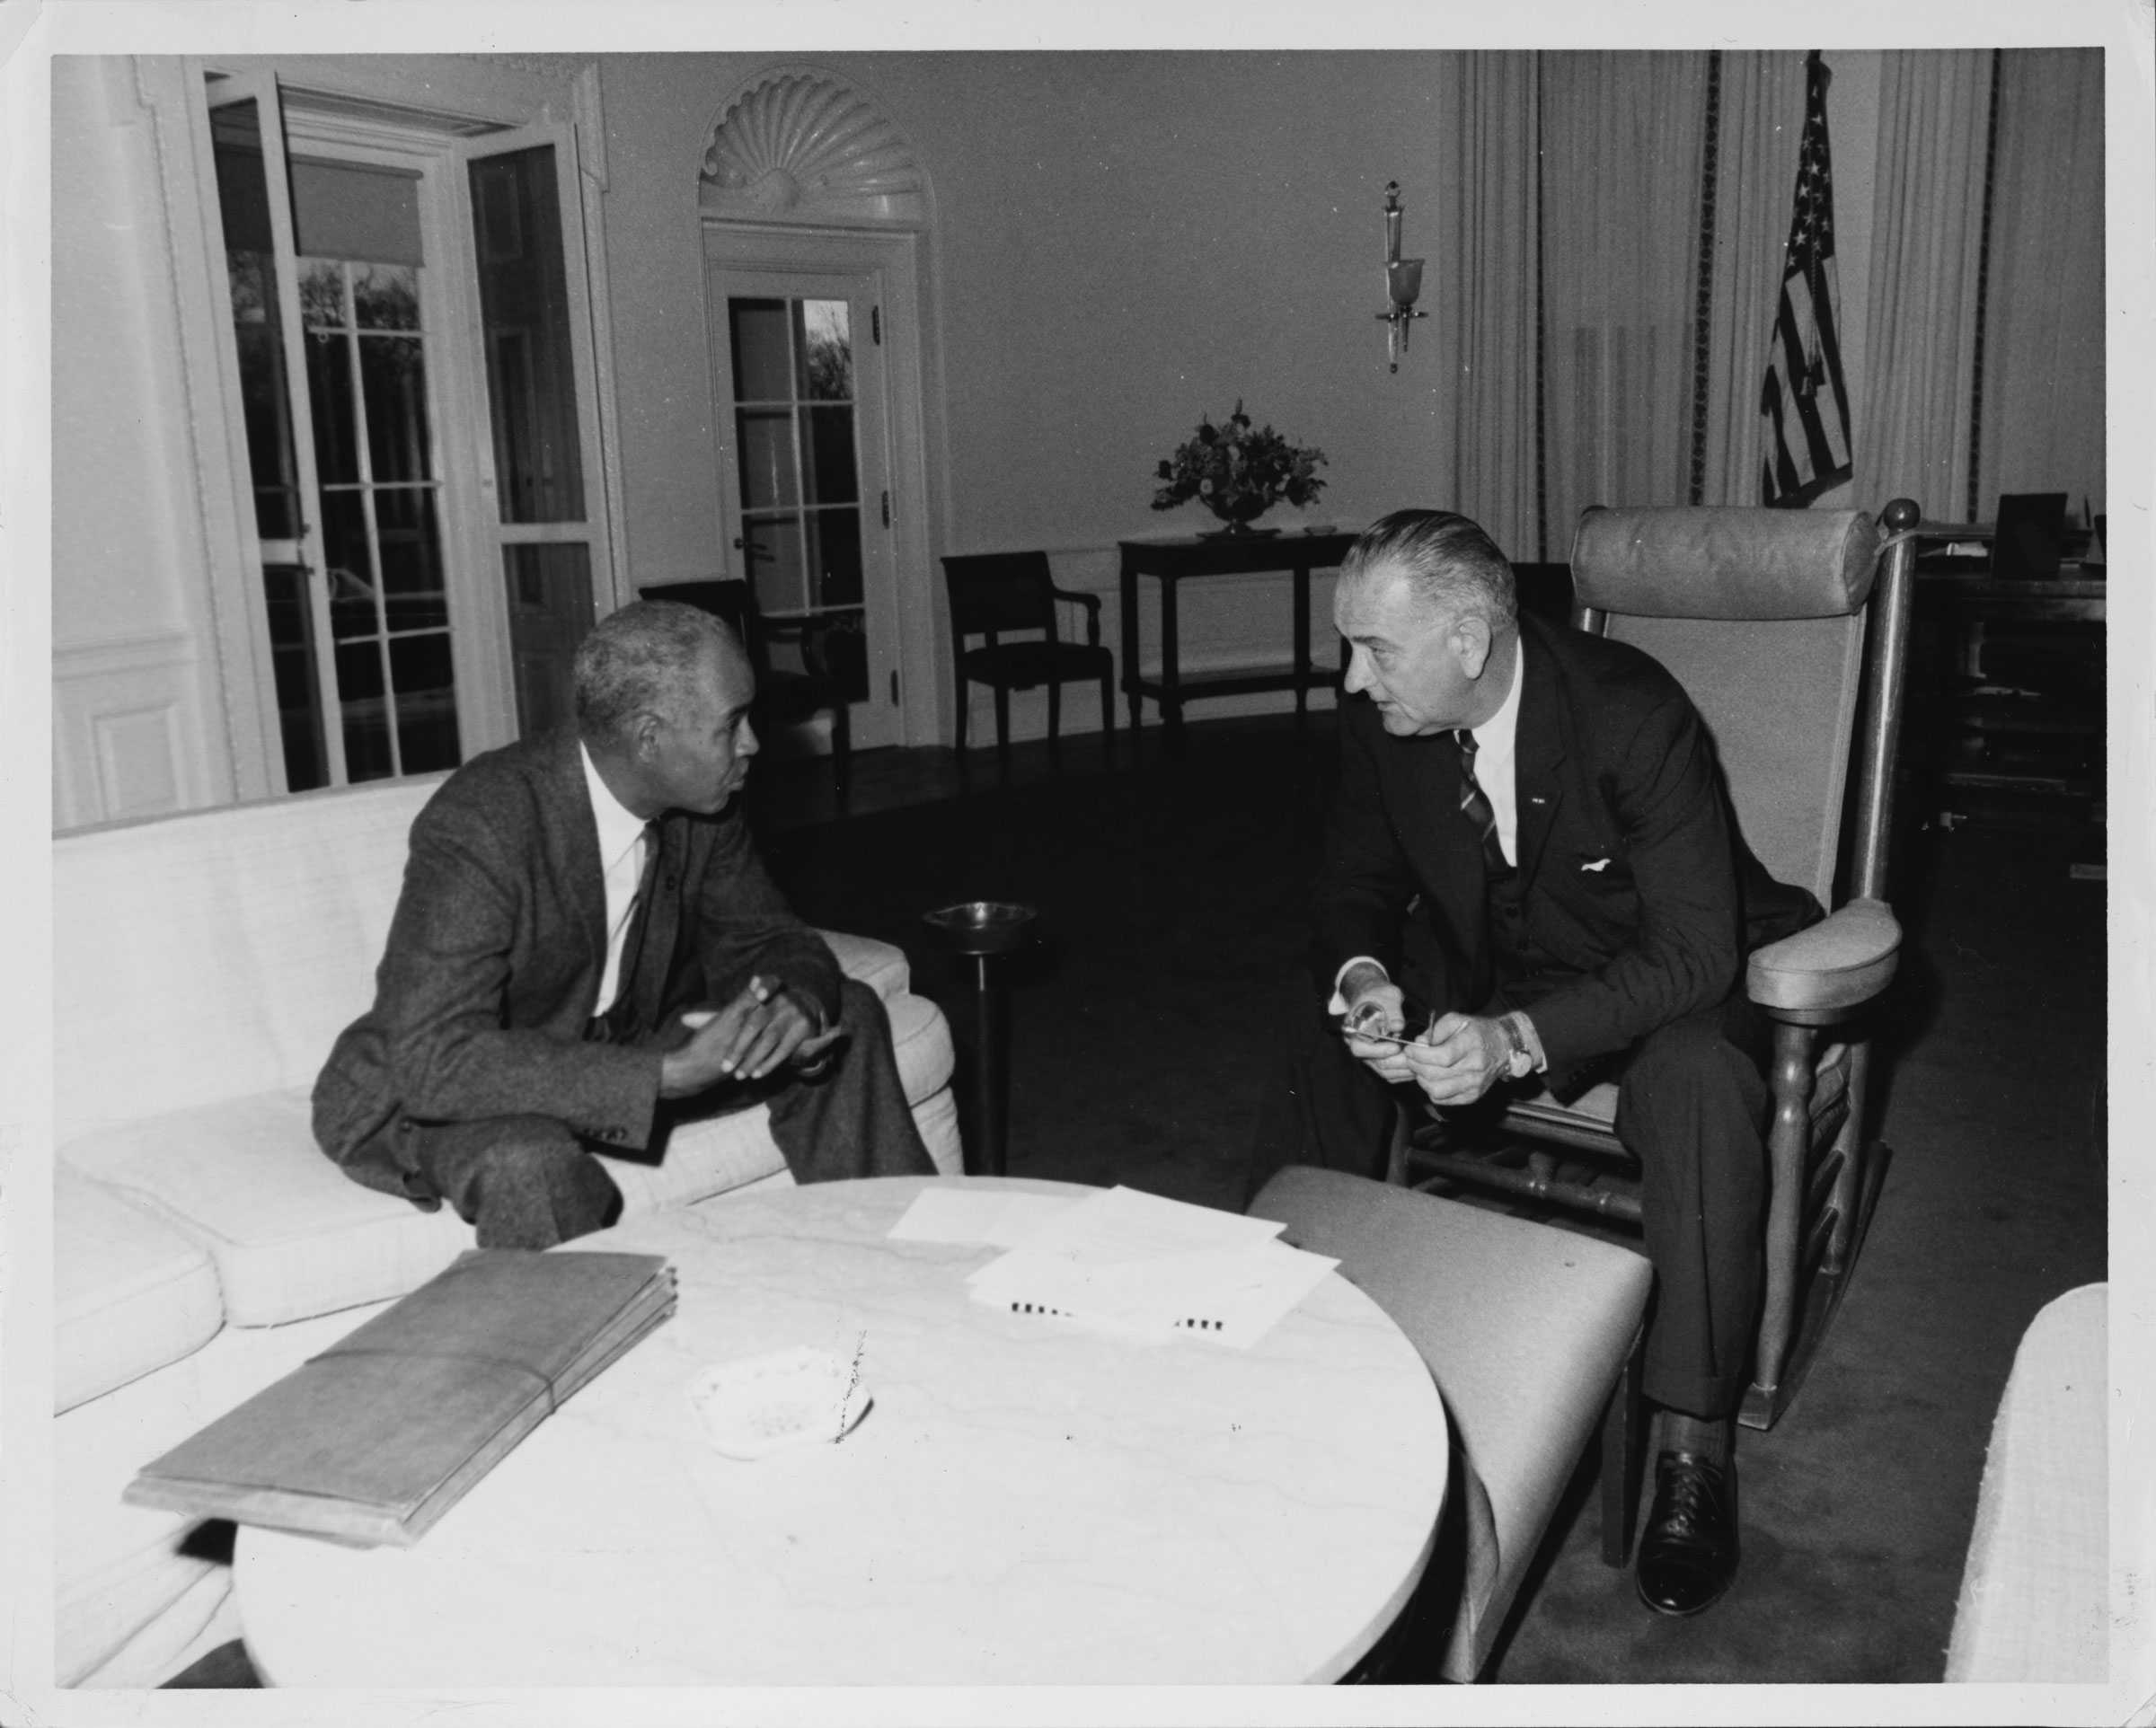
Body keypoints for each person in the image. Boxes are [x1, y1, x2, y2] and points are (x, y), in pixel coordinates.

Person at [1259, 508, 1819, 1618]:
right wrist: (1369, 983)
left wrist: (1515, 1042)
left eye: (1374, 648)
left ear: (1469, 639)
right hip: (1505, 956)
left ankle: (1693, 1450)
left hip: (1667, 973)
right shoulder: (1389, 721)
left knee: (1697, 1082)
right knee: (1318, 1017)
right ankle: (1285, 1343)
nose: (1351, 678)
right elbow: (1352, 886)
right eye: (1347, 646)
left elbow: (1698, 952)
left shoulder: (1630, 711)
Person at [313, 599, 933, 1249]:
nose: (752, 743)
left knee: (844, 1016)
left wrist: (796, 1006)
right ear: (648, 737)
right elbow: (432, 1059)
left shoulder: (704, 807)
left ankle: (912, 1267)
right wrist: (663, 1078)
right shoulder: (486, 820)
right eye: (731, 725)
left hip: (612, 1047)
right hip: (448, 1087)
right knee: (530, 1163)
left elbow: (768, 938)